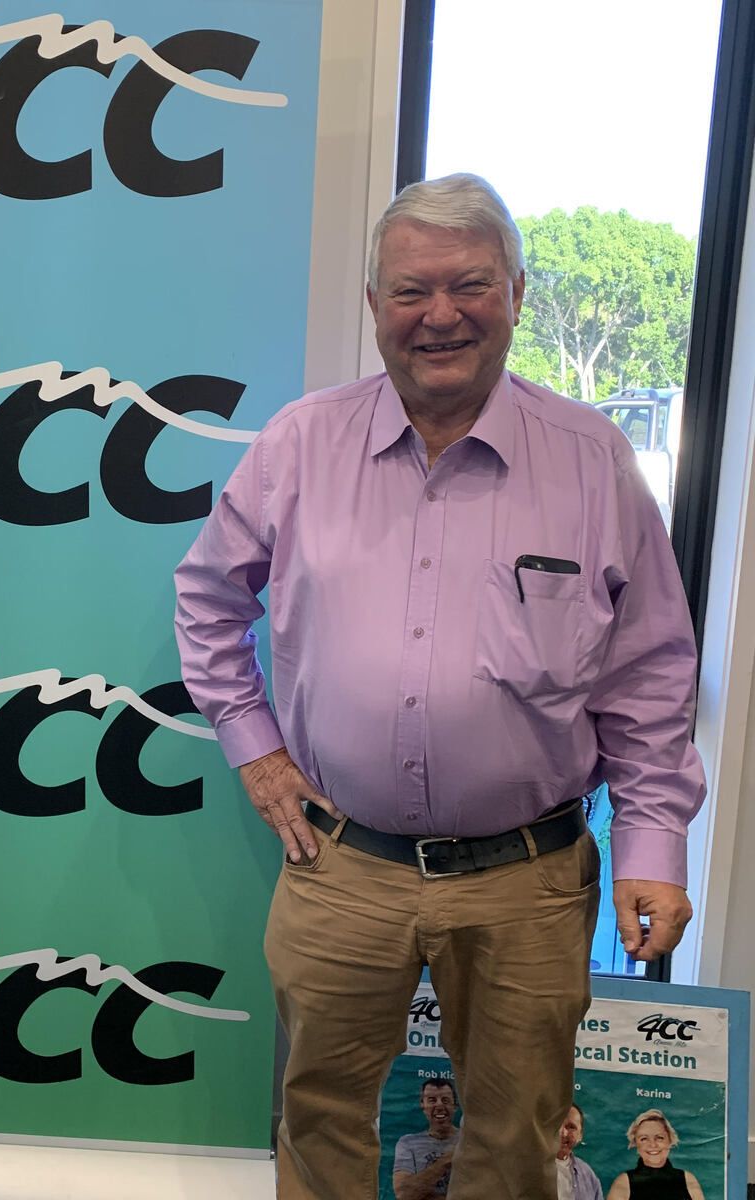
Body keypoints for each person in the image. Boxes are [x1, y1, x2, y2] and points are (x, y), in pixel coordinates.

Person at [172, 173, 704, 1200]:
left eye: (470, 285)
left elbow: (648, 678)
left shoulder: (592, 462)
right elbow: (206, 599)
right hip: (340, 867)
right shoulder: (300, 446)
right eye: (412, 291)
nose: (441, 315)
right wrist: (256, 749)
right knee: (318, 1120)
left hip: (527, 883)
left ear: (517, 292)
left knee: (516, 1139)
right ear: (375, 304)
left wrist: (653, 848)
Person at [606, 1110, 705, 1200]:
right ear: (635, 1144)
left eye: (659, 1138)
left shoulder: (687, 1179)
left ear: (670, 1140)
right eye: (644, 1139)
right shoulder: (623, 1183)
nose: (653, 1145)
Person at [392, 1077, 461, 1199]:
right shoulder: (408, 1143)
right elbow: (404, 1194)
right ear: (423, 1105)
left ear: (455, 1105)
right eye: (432, 1100)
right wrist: (448, 1159)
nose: (439, 1105)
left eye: (445, 1100)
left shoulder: (470, 1141)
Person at [557, 1104, 604, 1200]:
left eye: (571, 1127)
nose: (563, 1133)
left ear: (580, 1135)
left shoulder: (588, 1175)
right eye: (557, 1124)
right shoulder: (529, 1167)